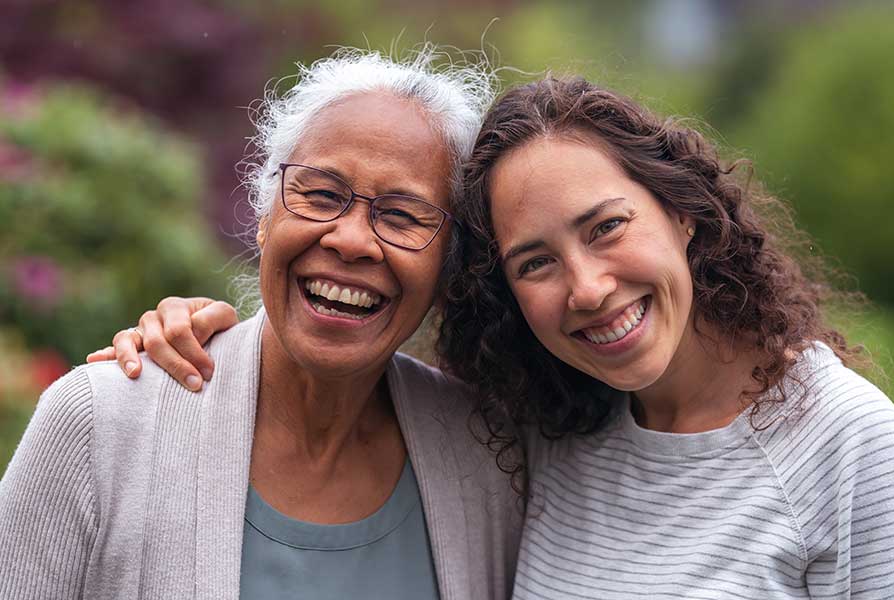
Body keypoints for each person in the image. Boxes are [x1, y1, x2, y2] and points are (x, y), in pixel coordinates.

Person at [91, 77, 894, 598]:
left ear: (686, 213)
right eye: (535, 262)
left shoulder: (843, 443)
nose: (588, 287)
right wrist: (209, 329)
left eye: (608, 226)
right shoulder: (546, 429)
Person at [0, 47, 522, 599]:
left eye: (400, 215)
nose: (349, 239)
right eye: (320, 195)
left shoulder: (488, 457)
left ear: (448, 267)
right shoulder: (101, 424)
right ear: (264, 218)